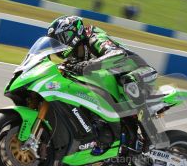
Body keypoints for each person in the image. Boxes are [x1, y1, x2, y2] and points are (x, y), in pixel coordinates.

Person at [47, 15, 158, 154]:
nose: (56, 46)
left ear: (70, 34)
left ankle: (151, 138)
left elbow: (117, 53)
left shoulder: (94, 37)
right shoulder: (75, 55)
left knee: (129, 82)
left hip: (141, 71)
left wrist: (89, 64)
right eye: (54, 43)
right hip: (115, 84)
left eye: (58, 40)